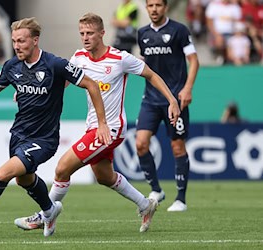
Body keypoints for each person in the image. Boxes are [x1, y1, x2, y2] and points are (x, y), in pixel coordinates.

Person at [0, 17, 111, 237]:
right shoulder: (11, 66)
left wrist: (102, 123)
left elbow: (91, 84)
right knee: (23, 179)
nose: (17, 46)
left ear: (35, 40)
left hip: (44, 139)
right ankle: (49, 210)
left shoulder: (55, 64)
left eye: (22, 41)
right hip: (19, 135)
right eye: (14, 41)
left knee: (3, 173)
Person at [14, 13, 181, 233]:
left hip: (111, 128)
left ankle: (44, 215)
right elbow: (61, 83)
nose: (85, 37)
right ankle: (145, 204)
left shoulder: (120, 58)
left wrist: (172, 101)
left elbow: (151, 75)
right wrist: (32, 94)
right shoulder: (79, 58)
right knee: (104, 176)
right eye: (82, 33)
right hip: (93, 127)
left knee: (63, 168)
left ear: (102, 33)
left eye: (90, 33)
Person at [136, 0, 199, 212]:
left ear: (166, 7)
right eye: (150, 5)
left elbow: (194, 60)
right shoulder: (142, 33)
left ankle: (181, 198)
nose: (154, 9)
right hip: (150, 99)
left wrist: (187, 88)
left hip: (175, 99)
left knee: (177, 146)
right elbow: (143, 65)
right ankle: (156, 189)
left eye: (158, 5)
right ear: (146, 8)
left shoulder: (179, 30)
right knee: (140, 143)